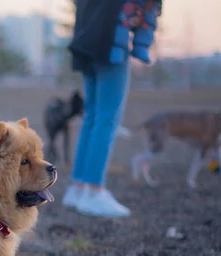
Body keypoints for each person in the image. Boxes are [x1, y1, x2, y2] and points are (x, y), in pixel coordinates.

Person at [61, 0, 162, 218]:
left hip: (85, 44)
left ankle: (78, 189)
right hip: (111, 47)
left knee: (92, 119)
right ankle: (95, 190)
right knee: (107, 120)